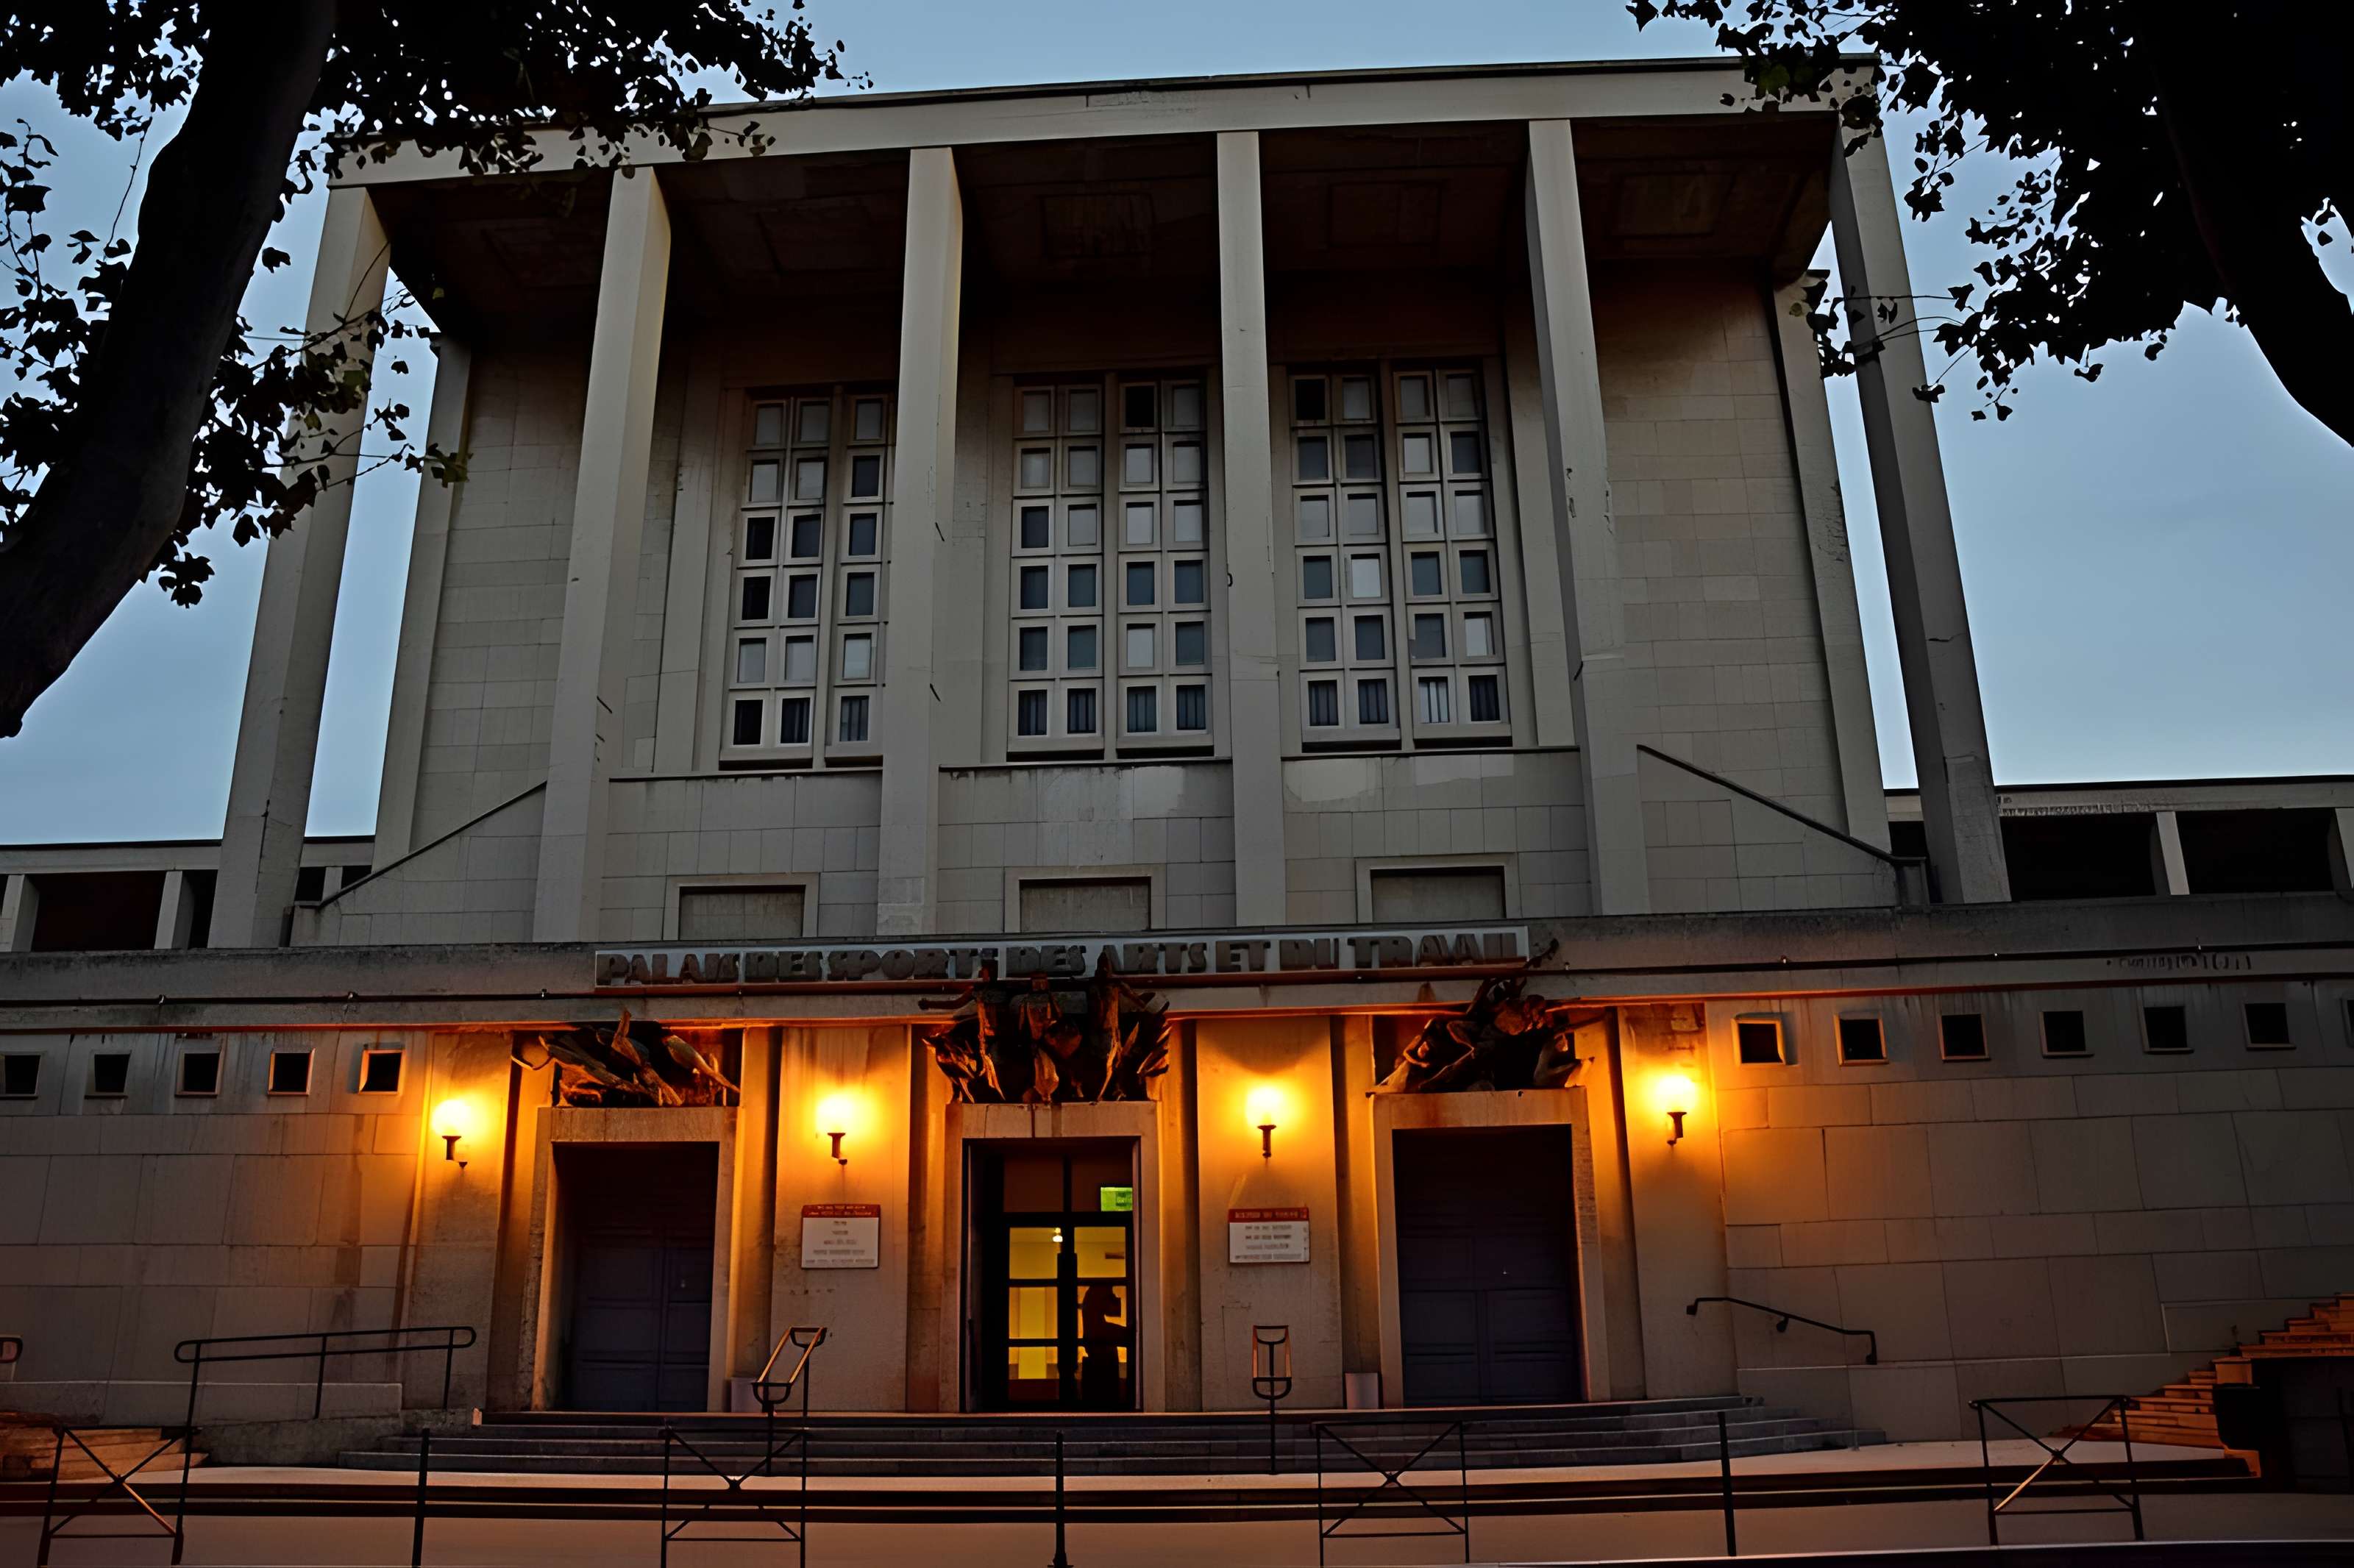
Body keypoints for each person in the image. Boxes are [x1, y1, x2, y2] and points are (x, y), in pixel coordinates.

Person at [1078, 1281, 1126, 1408]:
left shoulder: (1096, 1327)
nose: (1116, 1298)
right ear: (1100, 1301)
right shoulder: (1100, 1330)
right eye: (1111, 1295)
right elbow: (1124, 1334)